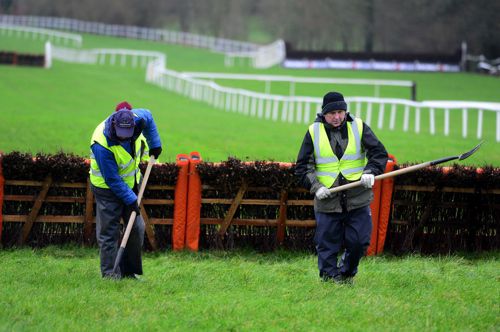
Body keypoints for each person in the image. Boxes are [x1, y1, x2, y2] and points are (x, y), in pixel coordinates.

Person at [295, 92, 388, 284]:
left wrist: (371, 170)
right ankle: (330, 280)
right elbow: (302, 167)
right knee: (327, 245)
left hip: (358, 198)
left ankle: (346, 274)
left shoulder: (359, 127)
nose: (337, 117)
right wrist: (316, 186)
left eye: (341, 112)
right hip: (327, 199)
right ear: (324, 114)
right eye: (332, 113)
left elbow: (379, 153)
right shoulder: (313, 131)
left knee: (359, 242)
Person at [89, 101, 162, 279]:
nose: (125, 138)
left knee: (136, 228)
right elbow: (112, 179)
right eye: (121, 135)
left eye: (127, 134)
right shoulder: (101, 144)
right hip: (106, 189)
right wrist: (131, 199)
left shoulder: (137, 118)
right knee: (109, 232)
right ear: (114, 125)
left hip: (130, 184)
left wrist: (155, 144)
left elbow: (150, 116)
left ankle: (129, 273)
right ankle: (110, 275)